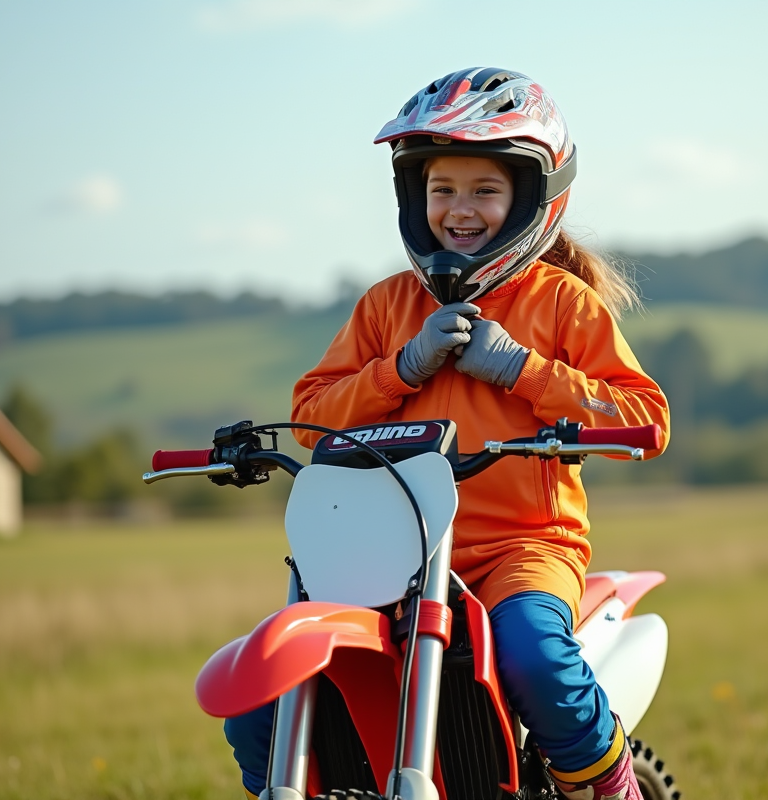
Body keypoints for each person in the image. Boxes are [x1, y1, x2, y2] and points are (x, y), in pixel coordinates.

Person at [225, 67, 670, 800]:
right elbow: (312, 410)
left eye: (485, 190)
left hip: (522, 549)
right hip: (384, 556)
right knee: (260, 697)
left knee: (534, 656)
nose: (459, 209)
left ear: (533, 197)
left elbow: (644, 419)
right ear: (413, 196)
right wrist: (400, 368)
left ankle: (612, 789)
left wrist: (523, 369)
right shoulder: (386, 306)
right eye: (442, 189)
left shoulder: (563, 304)